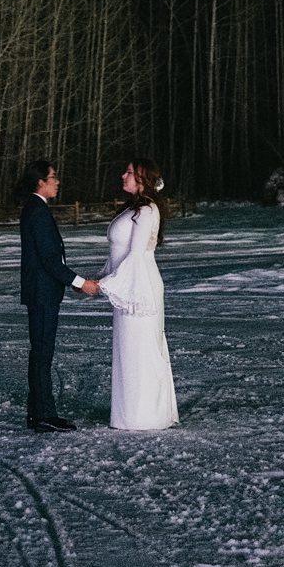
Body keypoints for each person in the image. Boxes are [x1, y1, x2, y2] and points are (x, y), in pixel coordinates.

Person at [96, 157, 179, 431]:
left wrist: (104, 284)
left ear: (143, 178)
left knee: (140, 348)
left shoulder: (147, 210)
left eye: (129, 172)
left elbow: (134, 256)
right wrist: (101, 277)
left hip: (140, 285)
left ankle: (145, 416)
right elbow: (117, 255)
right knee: (128, 349)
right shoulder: (132, 209)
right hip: (128, 284)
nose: (123, 175)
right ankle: (130, 414)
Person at [17, 159, 99, 432]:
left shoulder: (36, 208)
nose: (57, 181)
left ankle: (37, 412)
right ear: (40, 181)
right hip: (42, 292)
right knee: (42, 354)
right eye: (53, 177)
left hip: (43, 290)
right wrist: (80, 282)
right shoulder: (37, 211)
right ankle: (44, 415)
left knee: (40, 353)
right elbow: (50, 260)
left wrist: (72, 283)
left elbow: (51, 259)